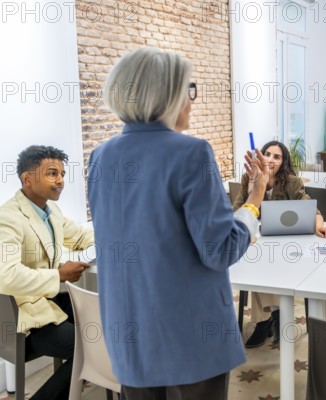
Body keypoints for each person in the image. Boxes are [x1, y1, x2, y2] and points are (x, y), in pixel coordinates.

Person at [87, 48, 270, 400]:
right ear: (167, 94)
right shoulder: (191, 153)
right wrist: (253, 202)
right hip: (190, 338)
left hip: (129, 337)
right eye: (189, 89)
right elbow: (220, 249)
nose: (192, 100)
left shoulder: (101, 156)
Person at [0, 145, 93, 400]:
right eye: (52, 173)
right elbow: (5, 276)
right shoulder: (8, 218)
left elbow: (82, 236)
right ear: (27, 178)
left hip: (46, 303)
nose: (61, 180)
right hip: (22, 317)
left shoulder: (50, 212)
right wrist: (59, 276)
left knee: (102, 319)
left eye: (62, 173)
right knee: (91, 346)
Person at [232, 140, 326, 348]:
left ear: (283, 162)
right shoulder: (248, 178)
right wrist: (253, 190)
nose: (270, 159)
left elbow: (312, 210)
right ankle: (275, 317)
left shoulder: (291, 182)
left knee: (264, 264)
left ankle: (265, 321)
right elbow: (236, 214)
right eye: (267, 154)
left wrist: (319, 226)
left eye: (276, 157)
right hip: (259, 244)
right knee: (258, 262)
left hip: (289, 247)